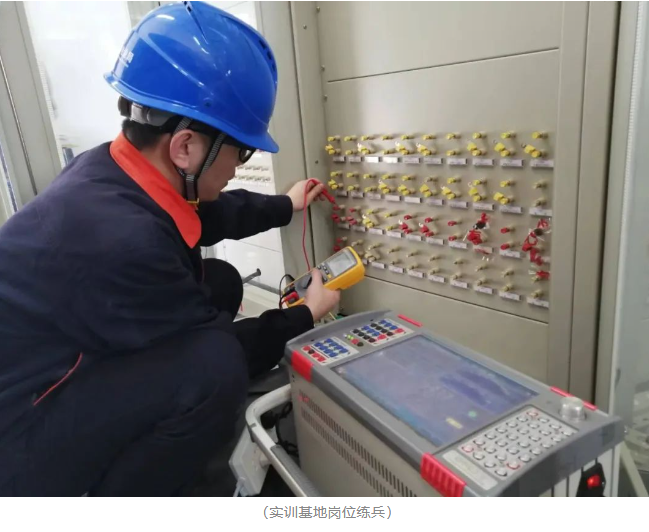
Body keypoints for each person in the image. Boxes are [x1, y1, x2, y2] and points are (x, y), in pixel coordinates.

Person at [0, 1, 339, 496]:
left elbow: (204, 212)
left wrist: (283, 206)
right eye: (241, 150)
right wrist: (304, 316)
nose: (239, 166)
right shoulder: (121, 241)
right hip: (22, 434)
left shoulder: (113, 169)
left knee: (219, 281)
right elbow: (222, 349)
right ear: (184, 147)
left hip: (56, 360)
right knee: (215, 368)